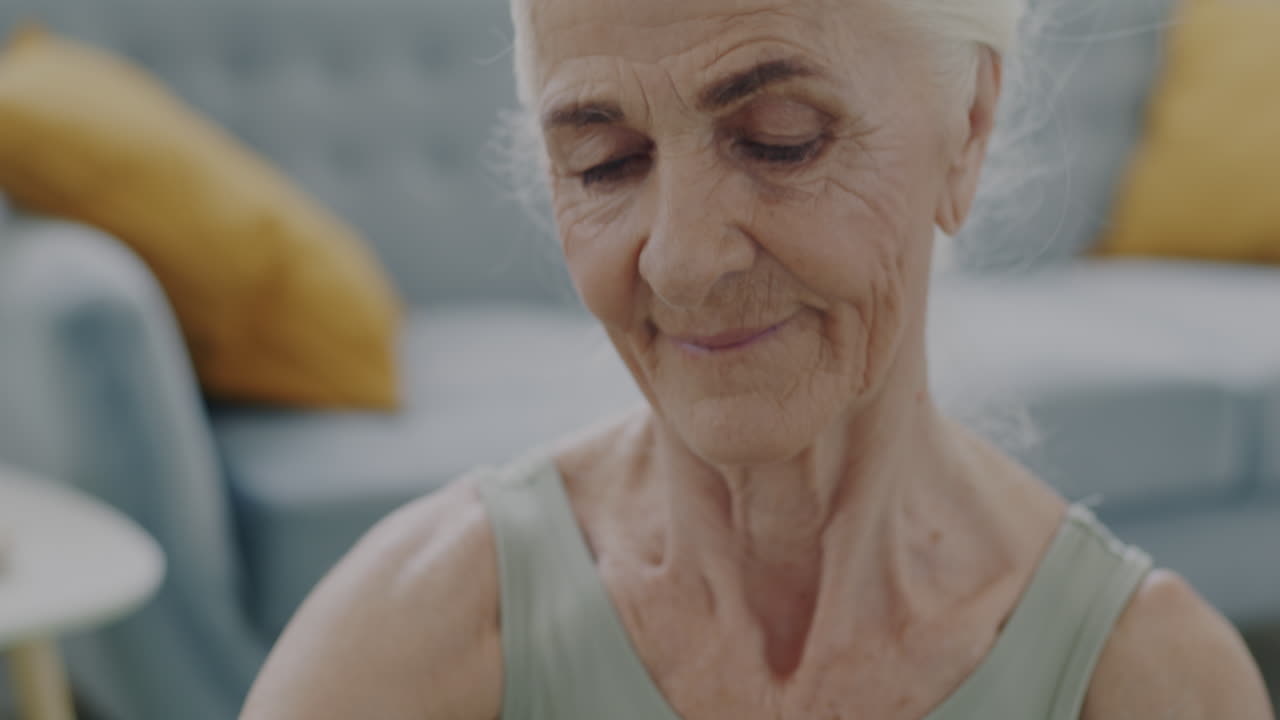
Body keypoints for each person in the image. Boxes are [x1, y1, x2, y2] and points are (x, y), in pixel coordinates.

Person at [240, 0, 1276, 717]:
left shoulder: (1149, 682)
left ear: (964, 129)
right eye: (604, 164)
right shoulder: (408, 640)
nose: (683, 260)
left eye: (778, 140)